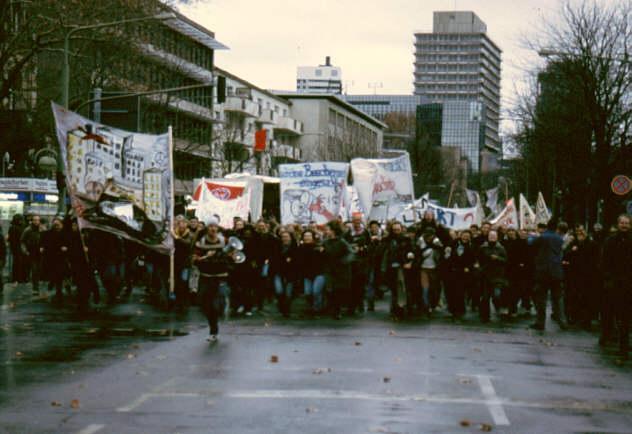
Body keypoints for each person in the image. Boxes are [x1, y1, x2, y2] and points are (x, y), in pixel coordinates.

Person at [193, 220, 233, 342]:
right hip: (206, 276)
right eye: (210, 226)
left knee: (217, 304)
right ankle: (213, 329)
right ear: (207, 228)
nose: (212, 229)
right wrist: (206, 257)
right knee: (206, 305)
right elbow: (194, 260)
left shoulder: (224, 241)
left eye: (214, 226)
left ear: (218, 228)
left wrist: (230, 257)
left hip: (221, 276)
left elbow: (232, 256)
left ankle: (221, 311)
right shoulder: (201, 242)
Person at [599, 214, 632, 359]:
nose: (624, 225)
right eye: (622, 223)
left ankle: (623, 347)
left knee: (625, 317)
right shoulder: (610, 241)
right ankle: (606, 335)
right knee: (609, 312)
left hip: (628, 284)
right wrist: (608, 278)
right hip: (613, 284)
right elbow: (604, 261)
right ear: (618, 224)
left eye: (627, 223)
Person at [530, 221, 568, 331]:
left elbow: (532, 245)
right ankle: (562, 321)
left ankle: (540, 322)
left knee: (541, 298)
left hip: (543, 271)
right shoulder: (559, 239)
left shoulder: (542, 237)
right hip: (556, 271)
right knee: (558, 297)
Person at [563, 226, 597, 329]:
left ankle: (586, 319)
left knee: (586, 298)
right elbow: (565, 256)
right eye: (578, 232)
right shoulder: (573, 244)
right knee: (574, 296)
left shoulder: (592, 244)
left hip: (587, 275)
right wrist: (571, 251)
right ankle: (574, 316)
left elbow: (595, 259)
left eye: (582, 231)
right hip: (574, 275)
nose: (580, 234)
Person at [382, 221, 414, 318]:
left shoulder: (406, 240)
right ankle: (396, 309)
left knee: (402, 289)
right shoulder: (388, 240)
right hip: (391, 268)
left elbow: (412, 252)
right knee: (394, 290)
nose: (396, 231)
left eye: (398, 230)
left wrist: (409, 263)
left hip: (402, 267)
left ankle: (404, 309)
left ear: (401, 229)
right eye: (394, 230)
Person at [322, 220, 353, 319]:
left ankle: (337, 310)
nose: (326, 232)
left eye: (328, 230)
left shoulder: (342, 241)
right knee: (330, 289)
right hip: (329, 270)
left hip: (341, 271)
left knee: (338, 291)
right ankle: (332, 308)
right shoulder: (325, 242)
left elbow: (351, 253)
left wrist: (344, 261)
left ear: (333, 231)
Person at [478, 230, 508, 322]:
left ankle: (500, 307)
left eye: (494, 236)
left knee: (496, 295)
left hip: (497, 275)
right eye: (490, 236)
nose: (492, 238)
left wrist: (497, 258)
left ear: (497, 237)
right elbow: (478, 258)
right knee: (485, 297)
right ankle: (485, 316)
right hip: (485, 275)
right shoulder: (483, 247)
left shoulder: (501, 248)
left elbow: (505, 260)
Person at [446, 229, 475, 320]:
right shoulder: (453, 243)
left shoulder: (471, 246)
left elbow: (473, 259)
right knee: (451, 291)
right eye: (464, 235)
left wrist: (469, 267)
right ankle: (452, 309)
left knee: (460, 292)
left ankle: (460, 310)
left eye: (467, 235)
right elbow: (447, 255)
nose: (465, 237)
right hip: (452, 271)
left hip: (463, 272)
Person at [344, 215, 371, 314]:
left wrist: (363, 248)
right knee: (351, 286)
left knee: (360, 285)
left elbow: (369, 246)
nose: (356, 222)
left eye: (358, 220)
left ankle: (360, 303)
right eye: (355, 220)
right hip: (351, 263)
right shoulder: (348, 233)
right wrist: (351, 247)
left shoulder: (365, 232)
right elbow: (344, 245)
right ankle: (351, 306)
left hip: (362, 262)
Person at [270, 229, 298, 317]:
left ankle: (286, 310)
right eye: (283, 237)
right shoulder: (277, 247)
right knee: (279, 291)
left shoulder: (295, 248)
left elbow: (297, 261)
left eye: (286, 237)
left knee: (288, 293)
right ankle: (281, 306)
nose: (285, 238)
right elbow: (274, 259)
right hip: (279, 272)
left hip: (290, 274)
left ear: (290, 238)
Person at [297, 229, 326, 315]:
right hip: (307, 275)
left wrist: (322, 251)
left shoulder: (318, 247)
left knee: (316, 291)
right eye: (305, 236)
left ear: (313, 237)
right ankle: (311, 307)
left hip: (319, 273)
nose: (307, 238)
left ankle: (318, 309)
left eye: (309, 236)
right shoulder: (301, 248)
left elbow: (324, 259)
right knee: (308, 293)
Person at [41, 217, 68, 302]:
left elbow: (70, 243)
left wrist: (66, 248)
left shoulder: (65, 234)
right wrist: (42, 247)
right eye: (55, 225)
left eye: (58, 225)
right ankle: (57, 288)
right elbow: (45, 242)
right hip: (52, 258)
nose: (56, 227)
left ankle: (59, 290)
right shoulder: (49, 233)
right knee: (56, 274)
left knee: (60, 275)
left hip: (62, 258)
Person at [417, 228, 443, 316]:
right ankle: (426, 306)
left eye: (431, 235)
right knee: (425, 289)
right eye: (427, 235)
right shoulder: (420, 241)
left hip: (434, 269)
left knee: (433, 289)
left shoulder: (436, 241)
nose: (429, 237)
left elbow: (441, 250)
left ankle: (432, 305)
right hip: (423, 268)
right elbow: (418, 252)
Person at [173, 218, 194, 310]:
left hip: (185, 262)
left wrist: (177, 238)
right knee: (177, 282)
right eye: (180, 223)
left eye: (184, 223)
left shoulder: (189, 234)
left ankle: (185, 301)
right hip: (176, 262)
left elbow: (188, 244)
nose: (182, 225)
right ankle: (178, 301)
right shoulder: (174, 233)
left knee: (184, 281)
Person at [20, 215, 43, 296]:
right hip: (31, 252)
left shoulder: (42, 229)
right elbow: (22, 241)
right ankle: (35, 288)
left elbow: (46, 239)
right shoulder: (28, 230)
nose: (37, 222)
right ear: (32, 221)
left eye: (38, 220)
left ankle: (35, 285)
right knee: (34, 270)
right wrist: (25, 251)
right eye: (35, 220)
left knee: (38, 270)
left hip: (40, 252)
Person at [7, 214, 26, 284]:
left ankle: (16, 278)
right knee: (19, 263)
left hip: (14, 248)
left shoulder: (12, 227)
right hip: (19, 247)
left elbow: (9, 239)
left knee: (16, 263)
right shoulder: (20, 228)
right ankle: (19, 278)